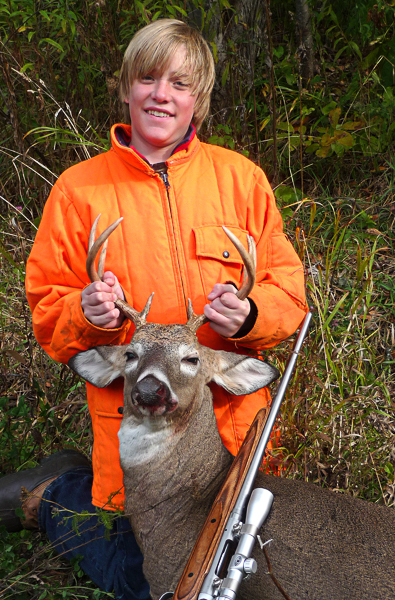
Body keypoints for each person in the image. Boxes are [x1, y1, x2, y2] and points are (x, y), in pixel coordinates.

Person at [0, 18, 307, 600]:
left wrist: (249, 316)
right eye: (147, 78)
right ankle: (55, 495)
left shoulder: (241, 181)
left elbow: (289, 295)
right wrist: (85, 313)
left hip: (230, 445)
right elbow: (47, 316)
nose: (161, 95)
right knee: (150, 587)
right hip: (139, 443)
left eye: (180, 84)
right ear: (125, 88)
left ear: (199, 99)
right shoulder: (79, 191)